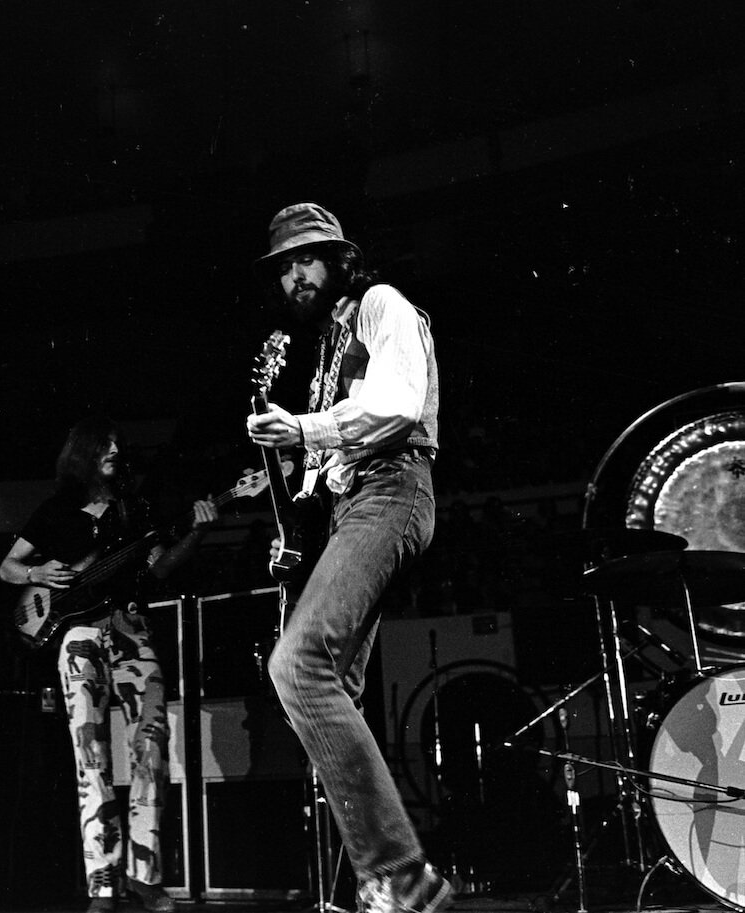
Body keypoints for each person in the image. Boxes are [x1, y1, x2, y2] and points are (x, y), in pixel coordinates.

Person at [245, 203, 451, 913]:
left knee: (296, 666)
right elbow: (329, 460)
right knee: (332, 694)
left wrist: (303, 427)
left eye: (306, 259)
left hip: (391, 490)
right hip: (350, 506)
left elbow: (397, 404)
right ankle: (359, 891)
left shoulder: (380, 305)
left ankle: (398, 874)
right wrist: (292, 523)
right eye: (283, 268)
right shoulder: (332, 350)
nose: (294, 276)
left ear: (339, 259)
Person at [0, 416, 217, 913]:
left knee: (152, 745)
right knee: (89, 756)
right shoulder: (56, 510)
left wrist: (197, 536)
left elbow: (158, 566)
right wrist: (35, 571)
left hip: (130, 627)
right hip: (76, 635)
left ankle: (145, 875)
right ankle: (102, 883)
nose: (115, 450)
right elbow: (7, 566)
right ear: (84, 453)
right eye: (106, 445)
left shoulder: (134, 508)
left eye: (118, 445)